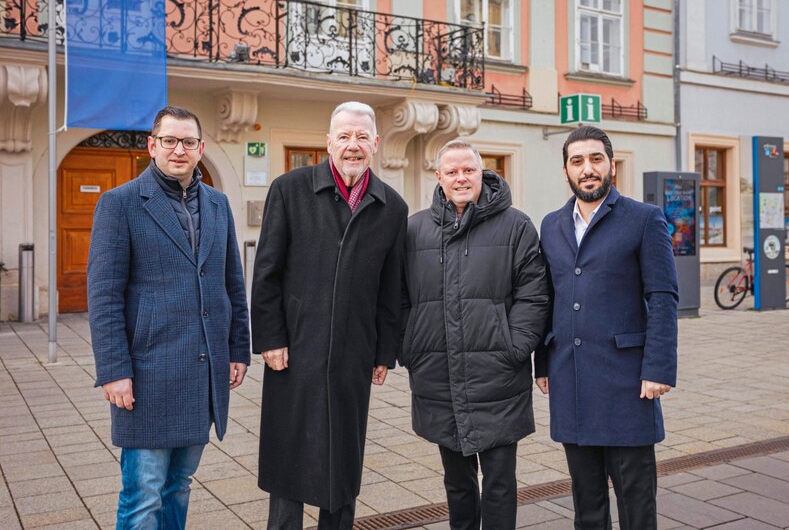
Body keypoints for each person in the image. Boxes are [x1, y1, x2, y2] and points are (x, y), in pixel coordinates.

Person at [87, 106, 251, 529]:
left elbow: (232, 282)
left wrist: (238, 349)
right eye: (170, 141)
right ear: (152, 145)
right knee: (143, 494)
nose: (179, 150)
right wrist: (113, 371)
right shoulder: (120, 204)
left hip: (203, 373)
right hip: (147, 375)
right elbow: (104, 296)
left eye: (189, 142)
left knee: (179, 484)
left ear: (201, 148)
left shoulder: (217, 204)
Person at [250, 101, 408, 529]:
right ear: (328, 142)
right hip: (294, 350)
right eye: (344, 136)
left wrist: (383, 352)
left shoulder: (391, 206)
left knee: (342, 460)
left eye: (361, 137)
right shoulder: (289, 189)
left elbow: (391, 290)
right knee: (289, 460)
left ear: (375, 143)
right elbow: (266, 272)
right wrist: (269, 337)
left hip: (353, 355)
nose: (352, 146)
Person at [400, 140, 549, 530]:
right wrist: (411, 347)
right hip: (438, 376)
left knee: (499, 483)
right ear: (439, 177)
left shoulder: (516, 225)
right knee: (457, 483)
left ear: (481, 173)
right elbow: (398, 298)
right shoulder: (415, 229)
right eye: (452, 171)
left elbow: (534, 294)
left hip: (497, 376)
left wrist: (513, 347)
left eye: (468, 170)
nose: (461, 178)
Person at [535, 125, 678, 530]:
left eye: (596, 159)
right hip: (571, 381)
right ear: (566, 170)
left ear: (611, 165)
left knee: (636, 504)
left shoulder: (644, 219)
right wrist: (542, 362)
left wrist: (658, 368)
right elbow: (549, 297)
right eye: (577, 161)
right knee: (587, 504)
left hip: (627, 384)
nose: (587, 169)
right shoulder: (551, 224)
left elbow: (664, 297)